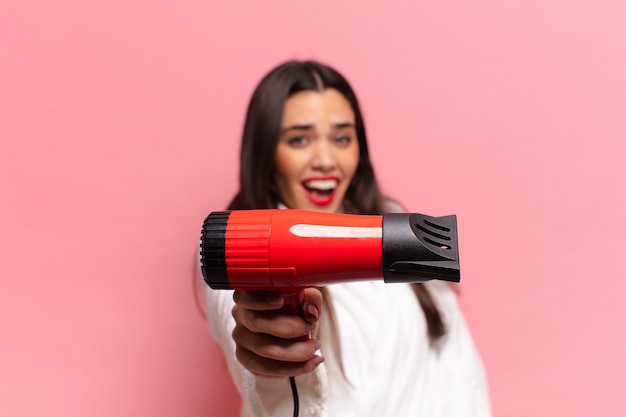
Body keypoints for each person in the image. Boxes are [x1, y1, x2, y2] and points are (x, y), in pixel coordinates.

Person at [202, 60, 491, 417]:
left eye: (341, 137)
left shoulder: (401, 230)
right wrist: (267, 354)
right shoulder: (243, 249)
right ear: (266, 154)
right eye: (299, 139)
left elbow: (461, 376)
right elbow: (242, 329)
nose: (325, 160)